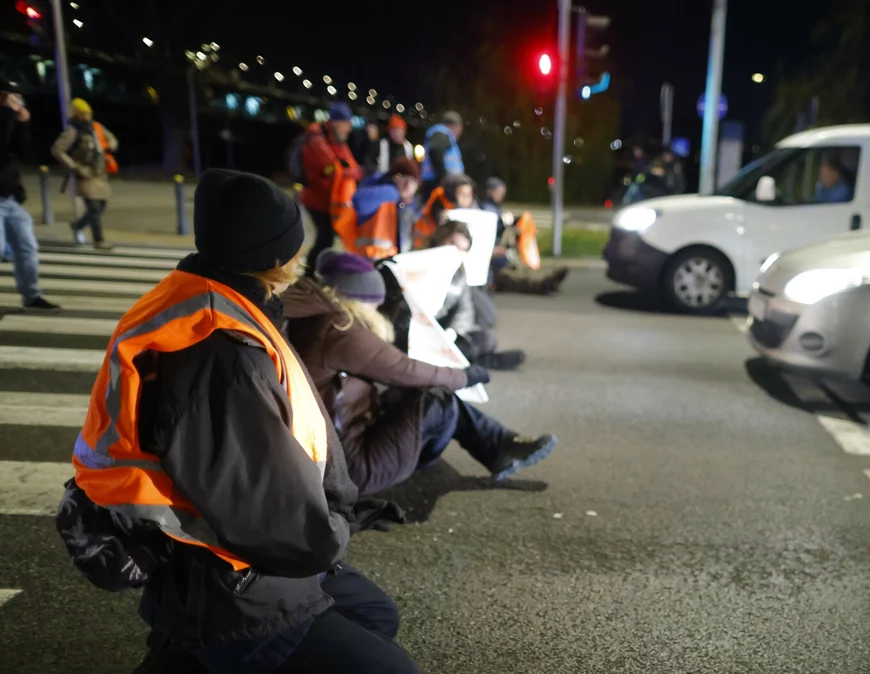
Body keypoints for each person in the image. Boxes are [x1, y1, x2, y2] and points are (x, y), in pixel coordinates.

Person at [56, 169, 418, 673]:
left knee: (374, 612)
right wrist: (332, 530)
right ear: (273, 258)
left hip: (221, 560)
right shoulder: (221, 351)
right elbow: (265, 511)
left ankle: (183, 653)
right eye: (296, 245)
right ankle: (197, 649)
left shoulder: (210, 298)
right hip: (230, 584)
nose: (302, 257)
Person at [282, 251, 557, 494]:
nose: (378, 309)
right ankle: (483, 448)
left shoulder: (313, 316)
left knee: (422, 393)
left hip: (329, 453)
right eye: (373, 303)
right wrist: (465, 376)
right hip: (348, 466)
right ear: (357, 298)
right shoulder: (338, 328)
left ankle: (500, 444)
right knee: (438, 399)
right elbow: (406, 369)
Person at [427, 220, 527, 370]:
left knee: (487, 338)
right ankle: (481, 361)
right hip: (423, 330)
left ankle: (460, 359)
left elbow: (465, 310)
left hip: (445, 333)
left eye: (463, 249)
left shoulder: (458, 275)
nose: (457, 252)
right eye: (452, 244)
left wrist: (454, 331)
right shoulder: (420, 266)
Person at [0, 88, 57, 310]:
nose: (15, 101)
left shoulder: (9, 121)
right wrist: (6, 114)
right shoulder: (4, 120)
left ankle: (32, 296)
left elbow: (24, 154)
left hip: (11, 197)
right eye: (8, 96)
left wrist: (22, 125)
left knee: (27, 247)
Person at [300, 102, 363, 274]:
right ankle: (309, 275)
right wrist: (347, 170)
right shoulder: (316, 139)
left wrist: (347, 170)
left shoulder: (336, 139)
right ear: (335, 122)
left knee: (328, 238)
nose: (349, 128)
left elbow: (353, 168)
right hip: (315, 200)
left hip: (330, 200)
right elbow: (333, 170)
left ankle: (316, 271)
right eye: (346, 123)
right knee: (325, 238)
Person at [477, 176, 568, 295]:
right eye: (499, 193)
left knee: (515, 271)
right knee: (512, 278)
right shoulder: (486, 208)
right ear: (490, 191)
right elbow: (488, 231)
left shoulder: (490, 206)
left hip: (495, 253)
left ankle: (542, 281)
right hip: (490, 257)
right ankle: (541, 285)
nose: (501, 196)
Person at [50, 97, 117, 249]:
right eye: (83, 113)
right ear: (77, 114)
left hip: (100, 173)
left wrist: (110, 145)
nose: (87, 116)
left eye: (88, 113)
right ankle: (99, 240)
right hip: (84, 173)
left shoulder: (96, 127)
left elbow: (111, 138)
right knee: (93, 208)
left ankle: (77, 225)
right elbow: (57, 150)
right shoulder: (72, 131)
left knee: (101, 205)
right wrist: (74, 167)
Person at [420, 110, 464, 194]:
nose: (459, 132)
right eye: (458, 128)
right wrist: (443, 176)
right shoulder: (441, 133)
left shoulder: (441, 135)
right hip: (437, 183)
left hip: (437, 182)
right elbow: (435, 152)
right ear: (452, 126)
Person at [366, 114, 414, 179]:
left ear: (404, 131)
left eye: (399, 130)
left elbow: (411, 168)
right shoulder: (380, 144)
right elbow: (369, 163)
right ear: (390, 131)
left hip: (401, 182)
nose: (397, 133)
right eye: (394, 130)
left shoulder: (408, 147)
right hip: (382, 181)